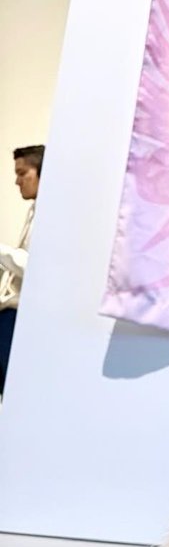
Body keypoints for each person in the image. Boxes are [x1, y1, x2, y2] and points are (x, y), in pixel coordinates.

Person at [0, 144, 43, 397]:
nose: (17, 181)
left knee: (14, 391)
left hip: (18, 316)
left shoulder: (52, 216)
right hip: (9, 312)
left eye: (22, 173)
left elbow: (37, 268)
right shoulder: (34, 210)